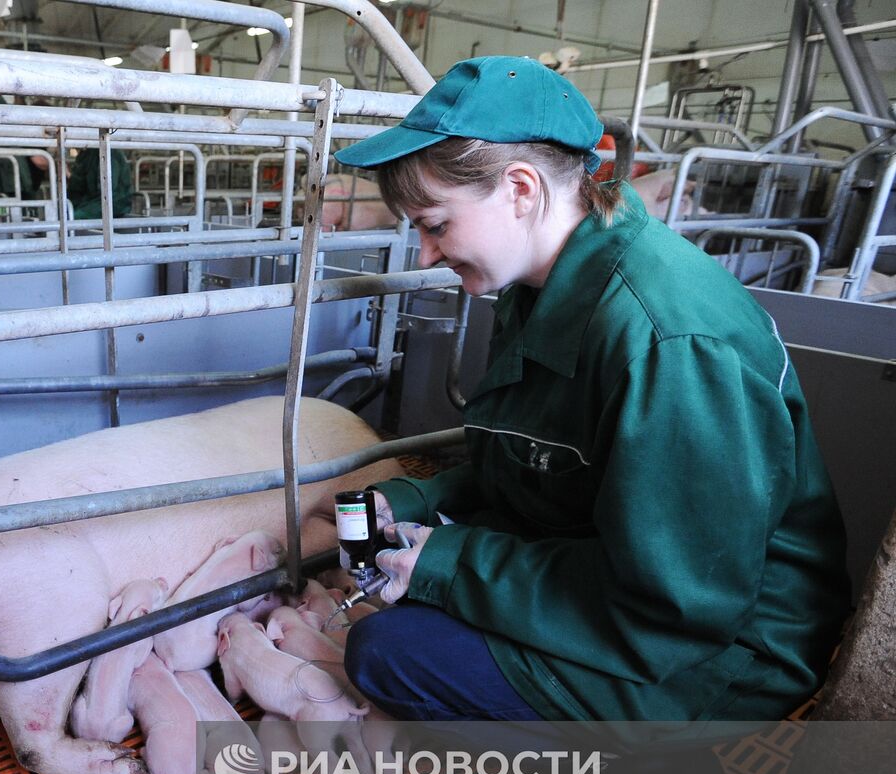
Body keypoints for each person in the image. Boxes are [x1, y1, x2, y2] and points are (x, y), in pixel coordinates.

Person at [331, 56, 850, 726]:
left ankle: (642, 773)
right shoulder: (538, 286)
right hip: (616, 570)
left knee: (389, 651)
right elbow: (537, 464)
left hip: (719, 648)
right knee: (408, 606)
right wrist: (412, 500)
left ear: (521, 189)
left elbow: (679, 604)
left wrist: (447, 563)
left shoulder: (669, 341)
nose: (425, 255)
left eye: (435, 224)